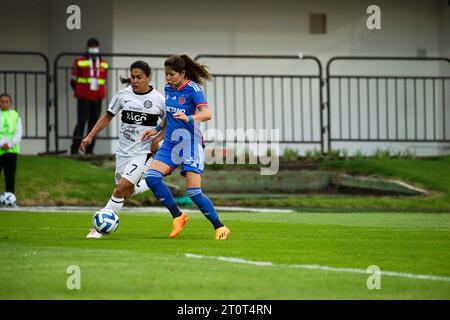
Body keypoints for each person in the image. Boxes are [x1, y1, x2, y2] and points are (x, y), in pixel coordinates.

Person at [142, 54, 230, 240]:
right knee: (151, 178)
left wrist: (189, 118)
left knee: (194, 192)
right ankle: (178, 216)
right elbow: (170, 115)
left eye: (171, 74)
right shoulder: (168, 88)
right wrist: (156, 131)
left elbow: (207, 114)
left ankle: (220, 226)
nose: (167, 78)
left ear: (182, 73)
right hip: (171, 144)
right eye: (166, 74)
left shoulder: (193, 89)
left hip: (190, 143)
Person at [80, 61, 166, 239]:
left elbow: (169, 122)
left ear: (148, 77)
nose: (135, 80)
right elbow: (107, 116)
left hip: (143, 153)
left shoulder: (158, 99)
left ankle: (97, 228)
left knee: (121, 189)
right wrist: (90, 136)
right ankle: (148, 183)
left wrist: (157, 138)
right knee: (124, 192)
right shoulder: (122, 95)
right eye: (132, 77)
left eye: (139, 77)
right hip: (123, 152)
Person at [70, 37, 109, 155]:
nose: (93, 48)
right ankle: (74, 149)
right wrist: (81, 90)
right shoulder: (79, 61)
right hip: (83, 96)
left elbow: (104, 80)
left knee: (94, 124)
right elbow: (73, 81)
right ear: (87, 47)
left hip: (97, 97)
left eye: (95, 46)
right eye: (91, 46)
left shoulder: (103, 63)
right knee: (81, 121)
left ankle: (90, 151)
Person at [0, 93, 22, 206]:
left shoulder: (15, 115)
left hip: (11, 151)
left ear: (10, 103)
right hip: (0, 150)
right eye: (2, 101)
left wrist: (9, 144)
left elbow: (18, 133)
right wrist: (1, 144)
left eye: (6, 101)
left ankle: (10, 200)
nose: (4, 103)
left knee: (10, 177)